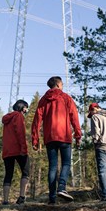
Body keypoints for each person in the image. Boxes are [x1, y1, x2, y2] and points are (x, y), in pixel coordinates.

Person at [31, 76, 82, 204]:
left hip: (50, 137)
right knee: (66, 163)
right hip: (64, 135)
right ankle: (62, 188)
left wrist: (35, 140)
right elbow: (74, 117)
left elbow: (37, 120)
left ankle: (52, 198)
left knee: (52, 166)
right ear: (59, 84)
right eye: (62, 84)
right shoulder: (66, 98)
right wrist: (78, 135)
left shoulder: (44, 100)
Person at [1, 99, 30, 205]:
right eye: (26, 108)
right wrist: (24, 149)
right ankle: (22, 197)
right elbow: (20, 133)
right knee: (26, 171)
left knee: (8, 174)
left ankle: (5, 201)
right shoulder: (18, 116)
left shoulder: (7, 118)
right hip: (18, 149)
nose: (27, 110)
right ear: (22, 108)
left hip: (7, 151)